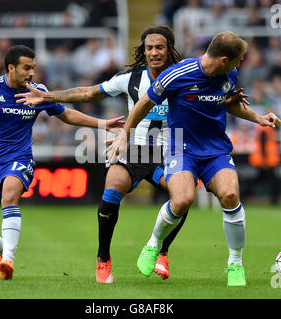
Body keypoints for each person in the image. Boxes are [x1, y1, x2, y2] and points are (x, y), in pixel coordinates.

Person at [106, 31, 281, 287]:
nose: (239, 65)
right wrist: (125, 134)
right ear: (223, 59)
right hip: (181, 148)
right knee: (183, 199)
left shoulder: (228, 74)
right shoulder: (178, 74)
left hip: (215, 150)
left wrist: (259, 118)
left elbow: (226, 102)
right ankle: (154, 243)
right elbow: (144, 103)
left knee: (231, 196)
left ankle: (235, 263)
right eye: (237, 60)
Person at [15, 26, 188, 283]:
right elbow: (87, 92)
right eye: (149, 48)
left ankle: (162, 252)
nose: (154, 52)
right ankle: (103, 259)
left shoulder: (184, 78)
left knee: (182, 198)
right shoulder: (130, 79)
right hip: (134, 149)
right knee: (111, 191)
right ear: (143, 50)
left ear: (169, 49)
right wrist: (47, 96)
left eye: (159, 47)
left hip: (171, 149)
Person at [0, 45, 124, 281]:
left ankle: (8, 259)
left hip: (19, 158)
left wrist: (102, 123)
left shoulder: (38, 91)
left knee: (9, 195)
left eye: (33, 68)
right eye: (26, 68)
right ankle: (2, 248)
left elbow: (65, 114)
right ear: (11, 68)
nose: (31, 73)